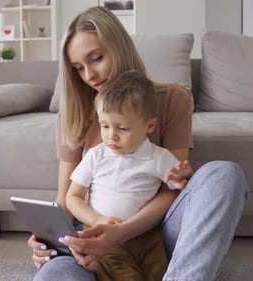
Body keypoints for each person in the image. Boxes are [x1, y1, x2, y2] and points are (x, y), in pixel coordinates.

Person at [29, 6, 248, 281]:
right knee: (52, 277)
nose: (89, 75)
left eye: (96, 59)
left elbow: (171, 190)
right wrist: (44, 237)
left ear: (119, 47)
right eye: (78, 69)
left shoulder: (171, 100)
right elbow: (66, 199)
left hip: (154, 235)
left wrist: (122, 231)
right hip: (92, 242)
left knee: (224, 174)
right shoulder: (72, 116)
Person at [67, 70, 188, 281]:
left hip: (147, 236)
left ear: (149, 126)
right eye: (104, 126)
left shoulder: (159, 157)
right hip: (102, 235)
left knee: (160, 273)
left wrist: (181, 181)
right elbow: (72, 197)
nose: (111, 136)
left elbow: (179, 190)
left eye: (122, 128)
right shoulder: (97, 155)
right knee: (124, 276)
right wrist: (97, 219)